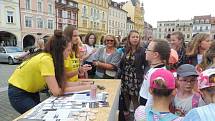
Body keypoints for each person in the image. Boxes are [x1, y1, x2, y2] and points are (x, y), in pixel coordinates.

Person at [8, 30, 73, 114]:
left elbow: (61, 83)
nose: (70, 53)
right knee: (37, 115)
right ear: (60, 50)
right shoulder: (46, 59)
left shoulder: (50, 58)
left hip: (31, 91)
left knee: (39, 115)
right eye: (68, 50)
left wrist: (84, 85)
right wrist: (85, 88)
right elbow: (56, 91)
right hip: (19, 93)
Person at [119, 30, 147, 117]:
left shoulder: (142, 51)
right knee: (125, 95)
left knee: (134, 97)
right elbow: (122, 62)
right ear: (129, 38)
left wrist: (145, 74)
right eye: (133, 37)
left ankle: (137, 115)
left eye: (137, 37)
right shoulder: (126, 49)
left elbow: (146, 64)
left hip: (135, 77)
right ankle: (127, 113)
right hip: (125, 75)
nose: (135, 39)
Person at [139, 39, 171, 107]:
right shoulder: (154, 69)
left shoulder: (158, 74)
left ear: (155, 54)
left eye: (148, 49)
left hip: (147, 106)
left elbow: (153, 99)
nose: (145, 51)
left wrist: (145, 112)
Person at [63, 26, 92, 91]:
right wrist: (78, 71)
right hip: (66, 87)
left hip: (76, 84)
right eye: (75, 36)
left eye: (78, 36)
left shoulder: (76, 50)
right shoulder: (64, 52)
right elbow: (62, 76)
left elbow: (76, 69)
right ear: (67, 36)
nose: (77, 38)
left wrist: (82, 69)